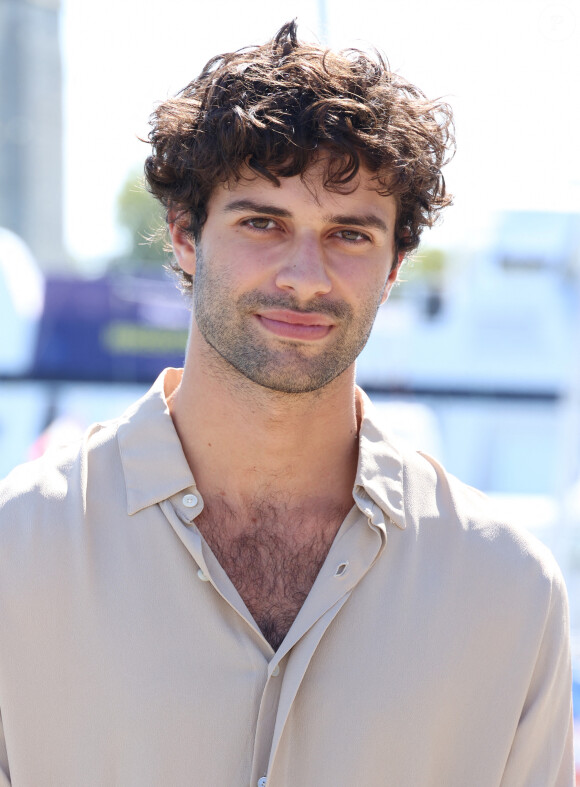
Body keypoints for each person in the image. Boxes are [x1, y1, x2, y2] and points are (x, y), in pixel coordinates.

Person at [0, 21, 574, 787]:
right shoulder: (18, 556)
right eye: (263, 223)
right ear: (183, 237)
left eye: (349, 234)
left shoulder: (510, 592)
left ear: (396, 264)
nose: (306, 275)